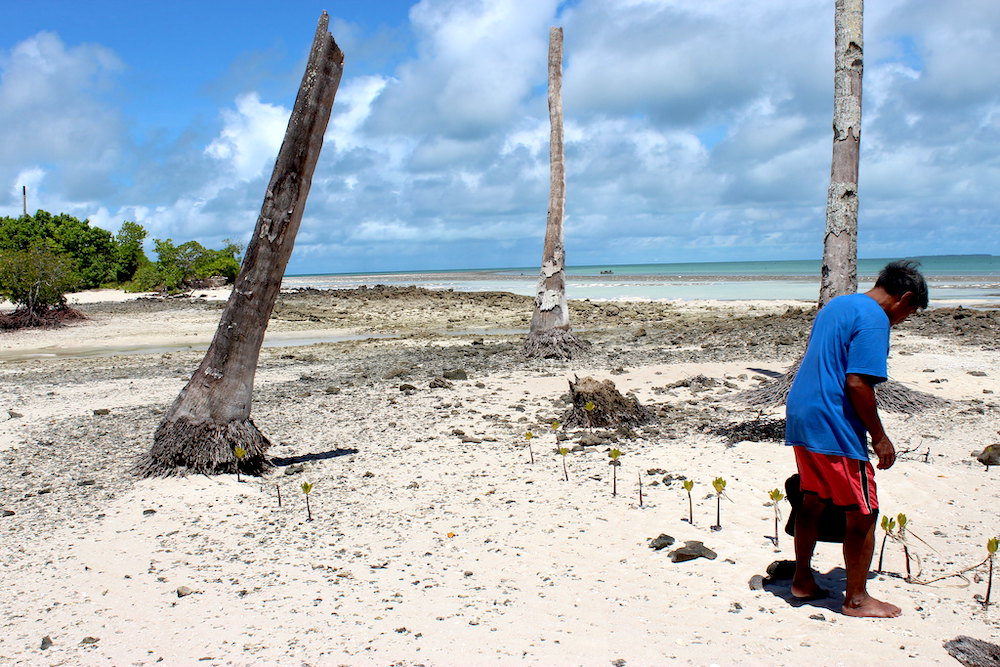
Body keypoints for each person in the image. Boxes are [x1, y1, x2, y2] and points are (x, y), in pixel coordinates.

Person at [785, 260, 928, 618]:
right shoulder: (875, 319)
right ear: (904, 298)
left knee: (813, 498)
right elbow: (857, 382)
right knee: (864, 511)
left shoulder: (839, 304)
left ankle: (802, 580)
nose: (902, 321)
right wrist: (880, 438)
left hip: (802, 411)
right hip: (833, 419)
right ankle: (857, 599)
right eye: (908, 313)